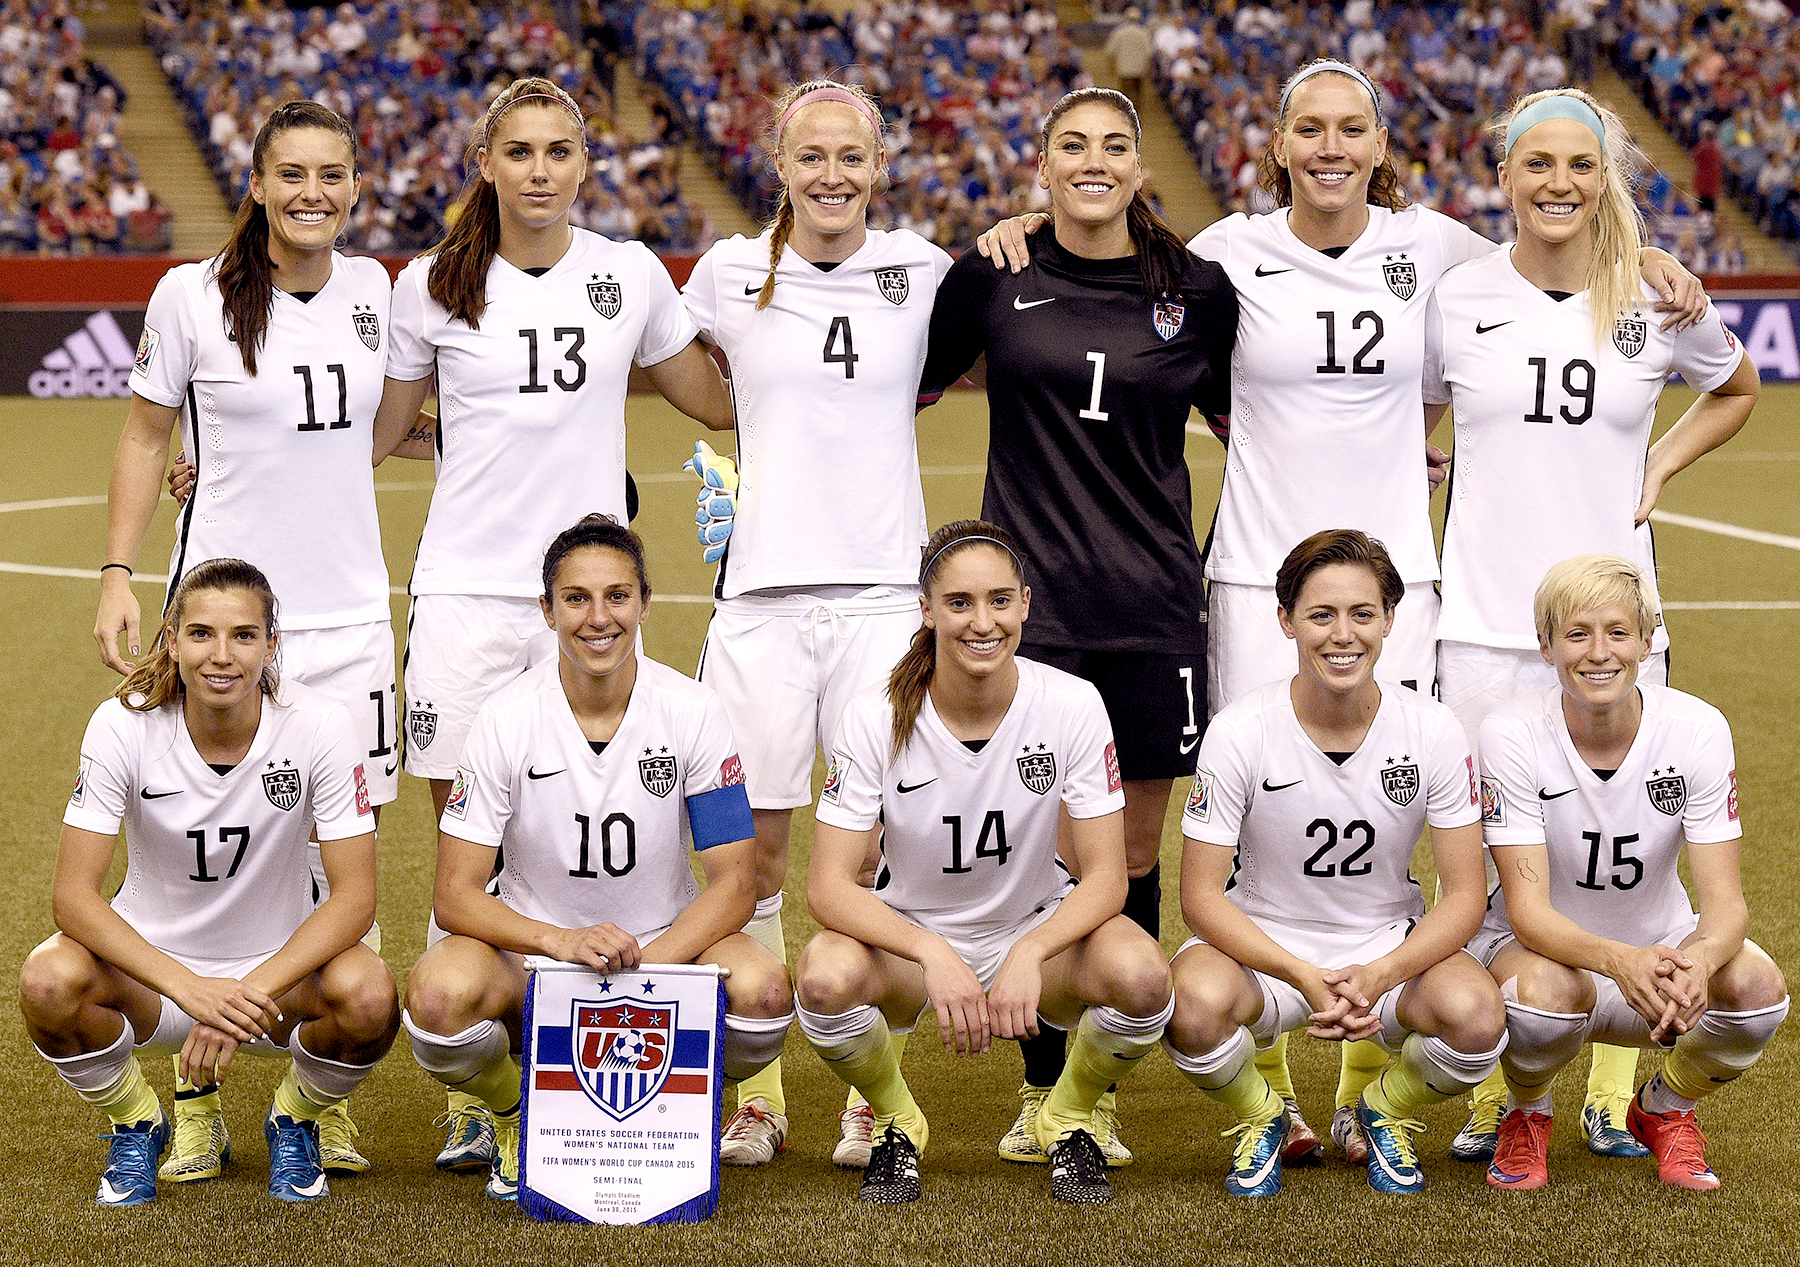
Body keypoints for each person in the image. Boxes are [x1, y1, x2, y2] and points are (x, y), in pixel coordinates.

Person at [971, 63, 1707, 1164]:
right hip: (1251, 580)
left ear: (1377, 142)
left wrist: (1641, 253)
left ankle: (1381, 1081)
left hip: (1402, 589)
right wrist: (1030, 220)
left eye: (1350, 129)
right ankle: (1274, 1099)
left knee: (1401, 821)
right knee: (1246, 816)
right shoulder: (1221, 253)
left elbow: (1558, 253)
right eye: (1307, 129)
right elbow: (1111, 253)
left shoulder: (1443, 249)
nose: (1328, 146)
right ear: (1275, 143)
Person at [371, 75, 732, 1169]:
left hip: (586, 601)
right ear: (484, 162)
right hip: (469, 596)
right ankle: (480, 1092)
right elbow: (381, 429)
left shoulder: (628, 275)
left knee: (603, 793)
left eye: (558, 151)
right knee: (465, 842)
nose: (538, 170)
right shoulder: (430, 283)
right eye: (517, 150)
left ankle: (584, 1060)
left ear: (586, 165)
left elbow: (714, 398)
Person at [1425, 87, 1759, 1160]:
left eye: (1581, 164)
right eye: (1538, 163)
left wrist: (1658, 460)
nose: (1558, 182)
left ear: (1607, 176)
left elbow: (1736, 386)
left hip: (1619, 629)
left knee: (1627, 862)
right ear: (1506, 174)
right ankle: (1503, 1085)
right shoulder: (1458, 293)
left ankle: (1619, 1086)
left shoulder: (1657, 294)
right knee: (1483, 869)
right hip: (1478, 628)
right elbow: (1403, 412)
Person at [919, 87, 1235, 1166]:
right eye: (1072, 146)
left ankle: (1093, 1094)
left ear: (1140, 169)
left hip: (1151, 608)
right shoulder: (993, 275)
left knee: (1131, 852)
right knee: (1053, 858)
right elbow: (896, 394)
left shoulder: (1197, 289)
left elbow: (1260, 419)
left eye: (1113, 147)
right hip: (1028, 619)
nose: (1093, 162)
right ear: (1040, 163)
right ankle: (1042, 1085)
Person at [93, 100, 398, 1181]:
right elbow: (144, 432)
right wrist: (122, 571)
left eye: (333, 173)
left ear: (355, 185)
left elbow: (394, 424)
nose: (314, 192)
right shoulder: (190, 297)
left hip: (351, 620)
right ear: (258, 185)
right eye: (292, 175)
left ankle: (315, 1098)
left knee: (327, 858)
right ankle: (194, 1088)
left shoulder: (377, 292)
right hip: (225, 620)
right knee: (193, 826)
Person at [676, 78, 953, 1168]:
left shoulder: (924, 270)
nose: (832, 174)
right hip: (759, 605)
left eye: (853, 156)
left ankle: (867, 1087)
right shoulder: (727, 273)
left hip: (886, 599)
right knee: (750, 851)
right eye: (812, 156)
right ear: (777, 165)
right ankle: (761, 1091)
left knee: (872, 848)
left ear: (880, 167)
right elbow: (668, 371)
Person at [401, 516, 793, 1202]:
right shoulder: (504, 716)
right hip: (537, 954)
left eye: (617, 595)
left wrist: (652, 968)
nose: (598, 617)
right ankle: (515, 1111)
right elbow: (455, 894)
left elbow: (737, 882)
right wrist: (562, 941)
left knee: (763, 997)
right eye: (576, 598)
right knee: (436, 998)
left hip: (658, 948)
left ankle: (672, 1109)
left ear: (645, 602)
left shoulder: (693, 711)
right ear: (547, 608)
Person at [794, 522, 1173, 1205]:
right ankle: (895, 1121)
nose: (982, 620)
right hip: (914, 948)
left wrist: (1031, 949)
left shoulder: (1071, 704)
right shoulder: (872, 715)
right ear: (927, 609)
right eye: (961, 602)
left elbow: (1109, 876)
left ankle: (1066, 1114)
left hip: (1037, 934)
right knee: (823, 978)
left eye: (1000, 600)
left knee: (1145, 977)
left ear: (1026, 603)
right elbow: (826, 885)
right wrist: (929, 949)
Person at [22, 559, 399, 1207]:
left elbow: (354, 897)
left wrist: (248, 990)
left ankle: (295, 1117)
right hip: (154, 980)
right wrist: (189, 987)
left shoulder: (323, 724)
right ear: (172, 638)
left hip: (274, 982)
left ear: (272, 645)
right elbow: (73, 897)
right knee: (47, 980)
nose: (221, 655)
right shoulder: (122, 724)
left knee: (370, 996)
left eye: (244, 635)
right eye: (201, 633)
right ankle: (137, 1118)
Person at [1165, 529, 1505, 1196]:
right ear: (1286, 619)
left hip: (1387, 944)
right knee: (1190, 1007)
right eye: (1321, 614)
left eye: (1362, 613)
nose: (1342, 634)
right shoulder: (1240, 729)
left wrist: (1381, 972)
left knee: (1478, 1017)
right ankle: (1263, 1114)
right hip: (1269, 945)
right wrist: (1298, 971)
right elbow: (1200, 896)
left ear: (1389, 619)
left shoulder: (1431, 729)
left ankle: (1379, 1107)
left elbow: (1466, 895)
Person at [1474, 554, 1787, 1190]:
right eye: (1577, 633)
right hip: (1537, 955)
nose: (1598, 653)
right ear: (1545, 645)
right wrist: (1623, 961)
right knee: (1541, 1004)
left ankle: (1664, 1109)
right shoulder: (1510, 732)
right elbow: (1529, 913)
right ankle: (1527, 1110)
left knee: (1759, 994)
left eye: (1618, 632)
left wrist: (1696, 961)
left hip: (1662, 951)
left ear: (1648, 640)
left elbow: (1725, 907)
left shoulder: (1697, 728)